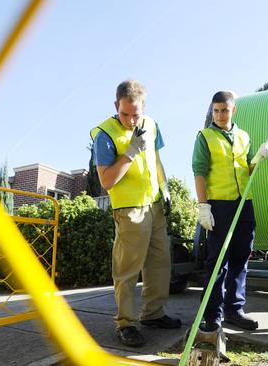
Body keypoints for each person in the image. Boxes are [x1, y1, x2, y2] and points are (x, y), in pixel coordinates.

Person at [90, 80, 181, 348]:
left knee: (159, 264)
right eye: (124, 114)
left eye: (136, 114)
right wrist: (130, 151)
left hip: (154, 206)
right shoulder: (105, 134)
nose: (130, 120)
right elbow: (106, 181)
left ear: (144, 108)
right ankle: (126, 323)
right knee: (127, 270)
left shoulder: (152, 125)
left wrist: (165, 188)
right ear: (115, 106)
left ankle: (153, 315)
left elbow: (156, 160)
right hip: (129, 210)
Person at [192, 90, 268, 332]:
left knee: (241, 258)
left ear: (233, 110)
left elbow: (248, 168)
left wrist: (257, 158)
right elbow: (199, 172)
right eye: (216, 110)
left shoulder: (244, 136)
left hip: (244, 203)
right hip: (218, 205)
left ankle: (234, 309)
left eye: (224, 110)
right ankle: (213, 314)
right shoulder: (205, 137)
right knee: (217, 262)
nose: (220, 115)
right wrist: (203, 206)